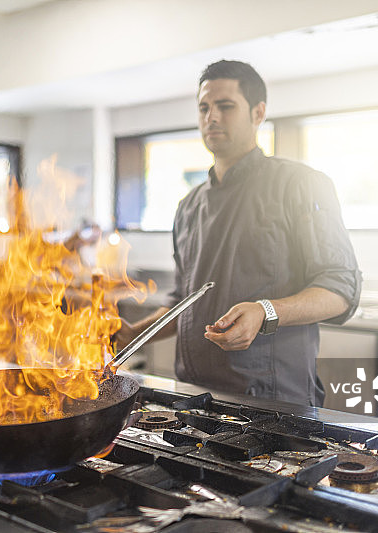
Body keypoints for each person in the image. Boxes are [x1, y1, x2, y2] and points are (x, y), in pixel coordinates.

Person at [117, 60, 361, 406]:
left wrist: (265, 311)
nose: (211, 117)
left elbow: (341, 289)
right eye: (204, 107)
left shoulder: (301, 185)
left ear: (258, 113)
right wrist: (132, 334)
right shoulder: (189, 206)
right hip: (195, 399)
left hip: (275, 403)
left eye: (225, 106)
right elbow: (183, 302)